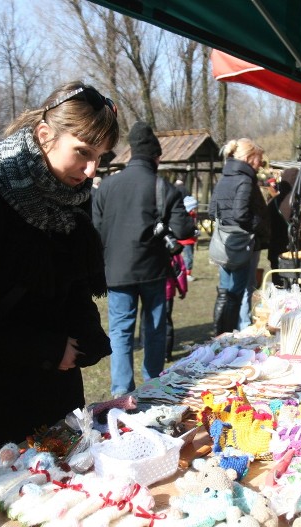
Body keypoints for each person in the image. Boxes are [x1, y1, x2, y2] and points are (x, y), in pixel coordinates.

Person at [0, 81, 118, 474]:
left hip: (57, 392)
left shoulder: (73, 198)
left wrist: (86, 333)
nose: (92, 169)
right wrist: (47, 349)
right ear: (45, 136)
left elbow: (72, 285)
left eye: (100, 158)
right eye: (83, 153)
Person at [93, 121, 190, 397]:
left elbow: (95, 232)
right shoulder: (164, 187)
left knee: (121, 332)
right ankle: (153, 384)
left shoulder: (107, 187)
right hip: (154, 271)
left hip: (117, 272)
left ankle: (122, 391)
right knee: (155, 330)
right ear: (156, 157)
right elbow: (184, 230)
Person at [209, 138, 269, 334]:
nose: (260, 163)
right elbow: (241, 214)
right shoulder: (245, 180)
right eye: (259, 158)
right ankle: (229, 333)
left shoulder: (224, 177)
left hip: (223, 243)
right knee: (236, 292)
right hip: (240, 244)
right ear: (250, 157)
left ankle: (219, 332)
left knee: (223, 291)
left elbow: (212, 210)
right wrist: (259, 225)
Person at [267, 167, 299, 285]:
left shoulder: (273, 202)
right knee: (295, 287)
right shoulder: (296, 203)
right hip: (292, 250)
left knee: (278, 284)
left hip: (275, 249)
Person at [165, 252, 189, 361]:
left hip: (151, 290)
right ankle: (166, 354)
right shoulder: (170, 244)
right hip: (166, 290)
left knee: (149, 320)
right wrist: (182, 289)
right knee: (166, 322)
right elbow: (179, 269)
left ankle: (149, 348)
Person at [180, 195, 200, 281]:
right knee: (188, 257)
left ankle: (186, 273)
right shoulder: (186, 216)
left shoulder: (193, 215)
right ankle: (186, 274)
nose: (196, 209)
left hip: (191, 239)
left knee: (189, 257)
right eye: (195, 207)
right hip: (186, 240)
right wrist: (194, 231)